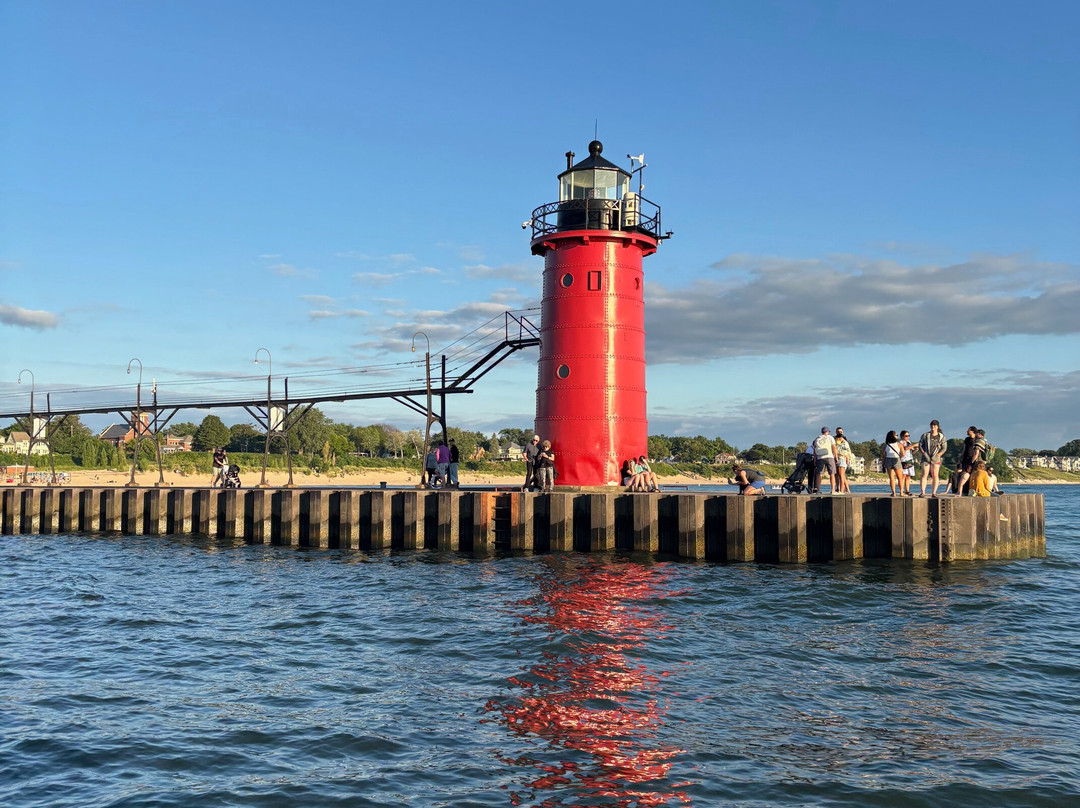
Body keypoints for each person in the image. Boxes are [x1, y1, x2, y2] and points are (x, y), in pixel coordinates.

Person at [918, 420, 947, 497]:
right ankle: (922, 492)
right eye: (931, 425)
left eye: (934, 425)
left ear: (937, 426)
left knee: (935, 475)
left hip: (936, 458)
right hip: (926, 457)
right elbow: (920, 445)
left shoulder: (941, 437)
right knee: (924, 474)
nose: (933, 427)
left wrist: (938, 455)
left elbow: (944, 448)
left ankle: (934, 492)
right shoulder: (925, 435)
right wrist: (924, 453)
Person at [812, 427, 839, 494]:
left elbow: (814, 450)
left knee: (819, 474)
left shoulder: (817, 438)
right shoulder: (830, 438)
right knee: (832, 473)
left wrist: (815, 459)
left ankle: (818, 490)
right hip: (829, 456)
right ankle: (833, 490)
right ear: (828, 432)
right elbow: (834, 447)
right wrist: (836, 457)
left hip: (820, 457)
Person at [955, 426, 980, 495]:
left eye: (969, 430)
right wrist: (961, 458)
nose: (967, 431)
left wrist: (973, 460)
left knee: (971, 475)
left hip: (972, 459)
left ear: (973, 431)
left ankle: (971, 490)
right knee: (964, 474)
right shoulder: (967, 439)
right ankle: (963, 490)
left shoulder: (977, 440)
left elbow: (977, 452)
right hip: (965, 459)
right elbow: (964, 449)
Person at [881, 430, 904, 496]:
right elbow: (903, 454)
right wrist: (899, 457)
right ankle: (901, 492)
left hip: (888, 460)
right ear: (893, 436)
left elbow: (884, 456)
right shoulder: (899, 444)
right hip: (896, 459)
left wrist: (883, 465)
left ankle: (893, 492)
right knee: (900, 478)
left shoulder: (885, 445)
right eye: (896, 435)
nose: (897, 436)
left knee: (891, 478)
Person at [834, 427, 853, 493]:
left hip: (842, 458)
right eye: (838, 431)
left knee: (841, 474)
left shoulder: (845, 442)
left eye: (841, 432)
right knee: (837, 474)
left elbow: (848, 451)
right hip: (835, 458)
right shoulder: (834, 440)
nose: (839, 433)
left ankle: (842, 490)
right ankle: (841, 488)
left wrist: (848, 459)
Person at [898, 430, 917, 495]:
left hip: (909, 459)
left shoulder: (909, 442)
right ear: (902, 436)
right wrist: (914, 445)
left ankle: (907, 490)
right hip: (903, 460)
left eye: (908, 436)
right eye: (906, 436)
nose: (907, 437)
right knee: (903, 475)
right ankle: (902, 490)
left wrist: (915, 450)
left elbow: (911, 451)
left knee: (908, 476)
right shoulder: (900, 442)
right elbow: (905, 448)